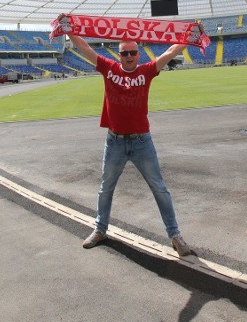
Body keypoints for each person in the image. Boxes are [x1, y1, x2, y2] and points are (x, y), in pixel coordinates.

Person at [59, 14, 196, 257]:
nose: (129, 57)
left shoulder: (147, 71)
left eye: (133, 53)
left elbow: (169, 53)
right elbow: (84, 47)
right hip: (115, 142)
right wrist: (67, 29)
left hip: (142, 141)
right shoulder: (108, 67)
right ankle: (100, 230)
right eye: (125, 53)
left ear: (139, 55)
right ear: (119, 55)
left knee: (160, 188)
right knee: (105, 188)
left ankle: (175, 236)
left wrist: (190, 36)